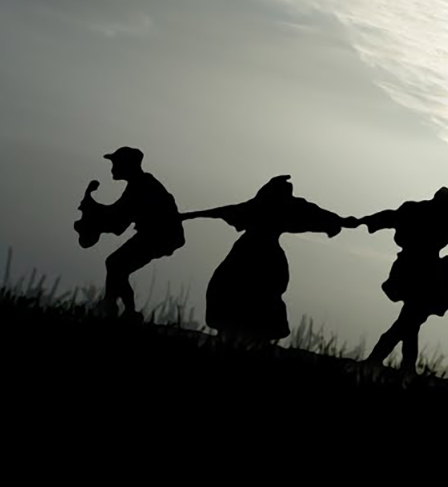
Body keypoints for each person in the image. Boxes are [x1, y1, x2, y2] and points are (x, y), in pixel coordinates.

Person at [181, 175, 350, 343]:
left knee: (255, 292)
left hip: (258, 254)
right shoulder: (269, 208)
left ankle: (249, 335)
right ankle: (239, 334)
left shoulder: (276, 208)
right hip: (254, 253)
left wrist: (342, 221)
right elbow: (218, 212)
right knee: (232, 288)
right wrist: (184, 216)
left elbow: (317, 214)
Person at [356, 187, 448, 374]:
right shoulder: (443, 215)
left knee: (411, 320)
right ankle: (380, 360)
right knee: (409, 320)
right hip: (422, 270)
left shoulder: (421, 210)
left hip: (418, 268)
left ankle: (405, 365)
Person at [77, 146, 185, 321]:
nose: (112, 168)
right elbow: (118, 216)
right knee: (116, 266)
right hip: (155, 235)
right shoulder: (138, 184)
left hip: (159, 236)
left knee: (115, 264)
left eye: (116, 163)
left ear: (127, 165)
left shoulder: (141, 186)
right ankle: (119, 308)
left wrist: (94, 210)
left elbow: (117, 221)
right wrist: (96, 210)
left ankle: (118, 308)